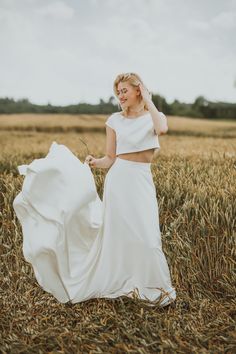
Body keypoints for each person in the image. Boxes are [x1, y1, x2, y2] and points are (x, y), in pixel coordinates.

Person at [13, 72, 176, 307]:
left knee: (148, 236)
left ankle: (153, 288)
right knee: (120, 234)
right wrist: (94, 162)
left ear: (138, 89)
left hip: (141, 180)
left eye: (124, 91)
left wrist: (149, 99)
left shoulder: (154, 116)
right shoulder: (114, 120)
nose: (120, 96)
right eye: (117, 92)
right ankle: (124, 281)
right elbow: (111, 158)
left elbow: (162, 129)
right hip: (119, 180)